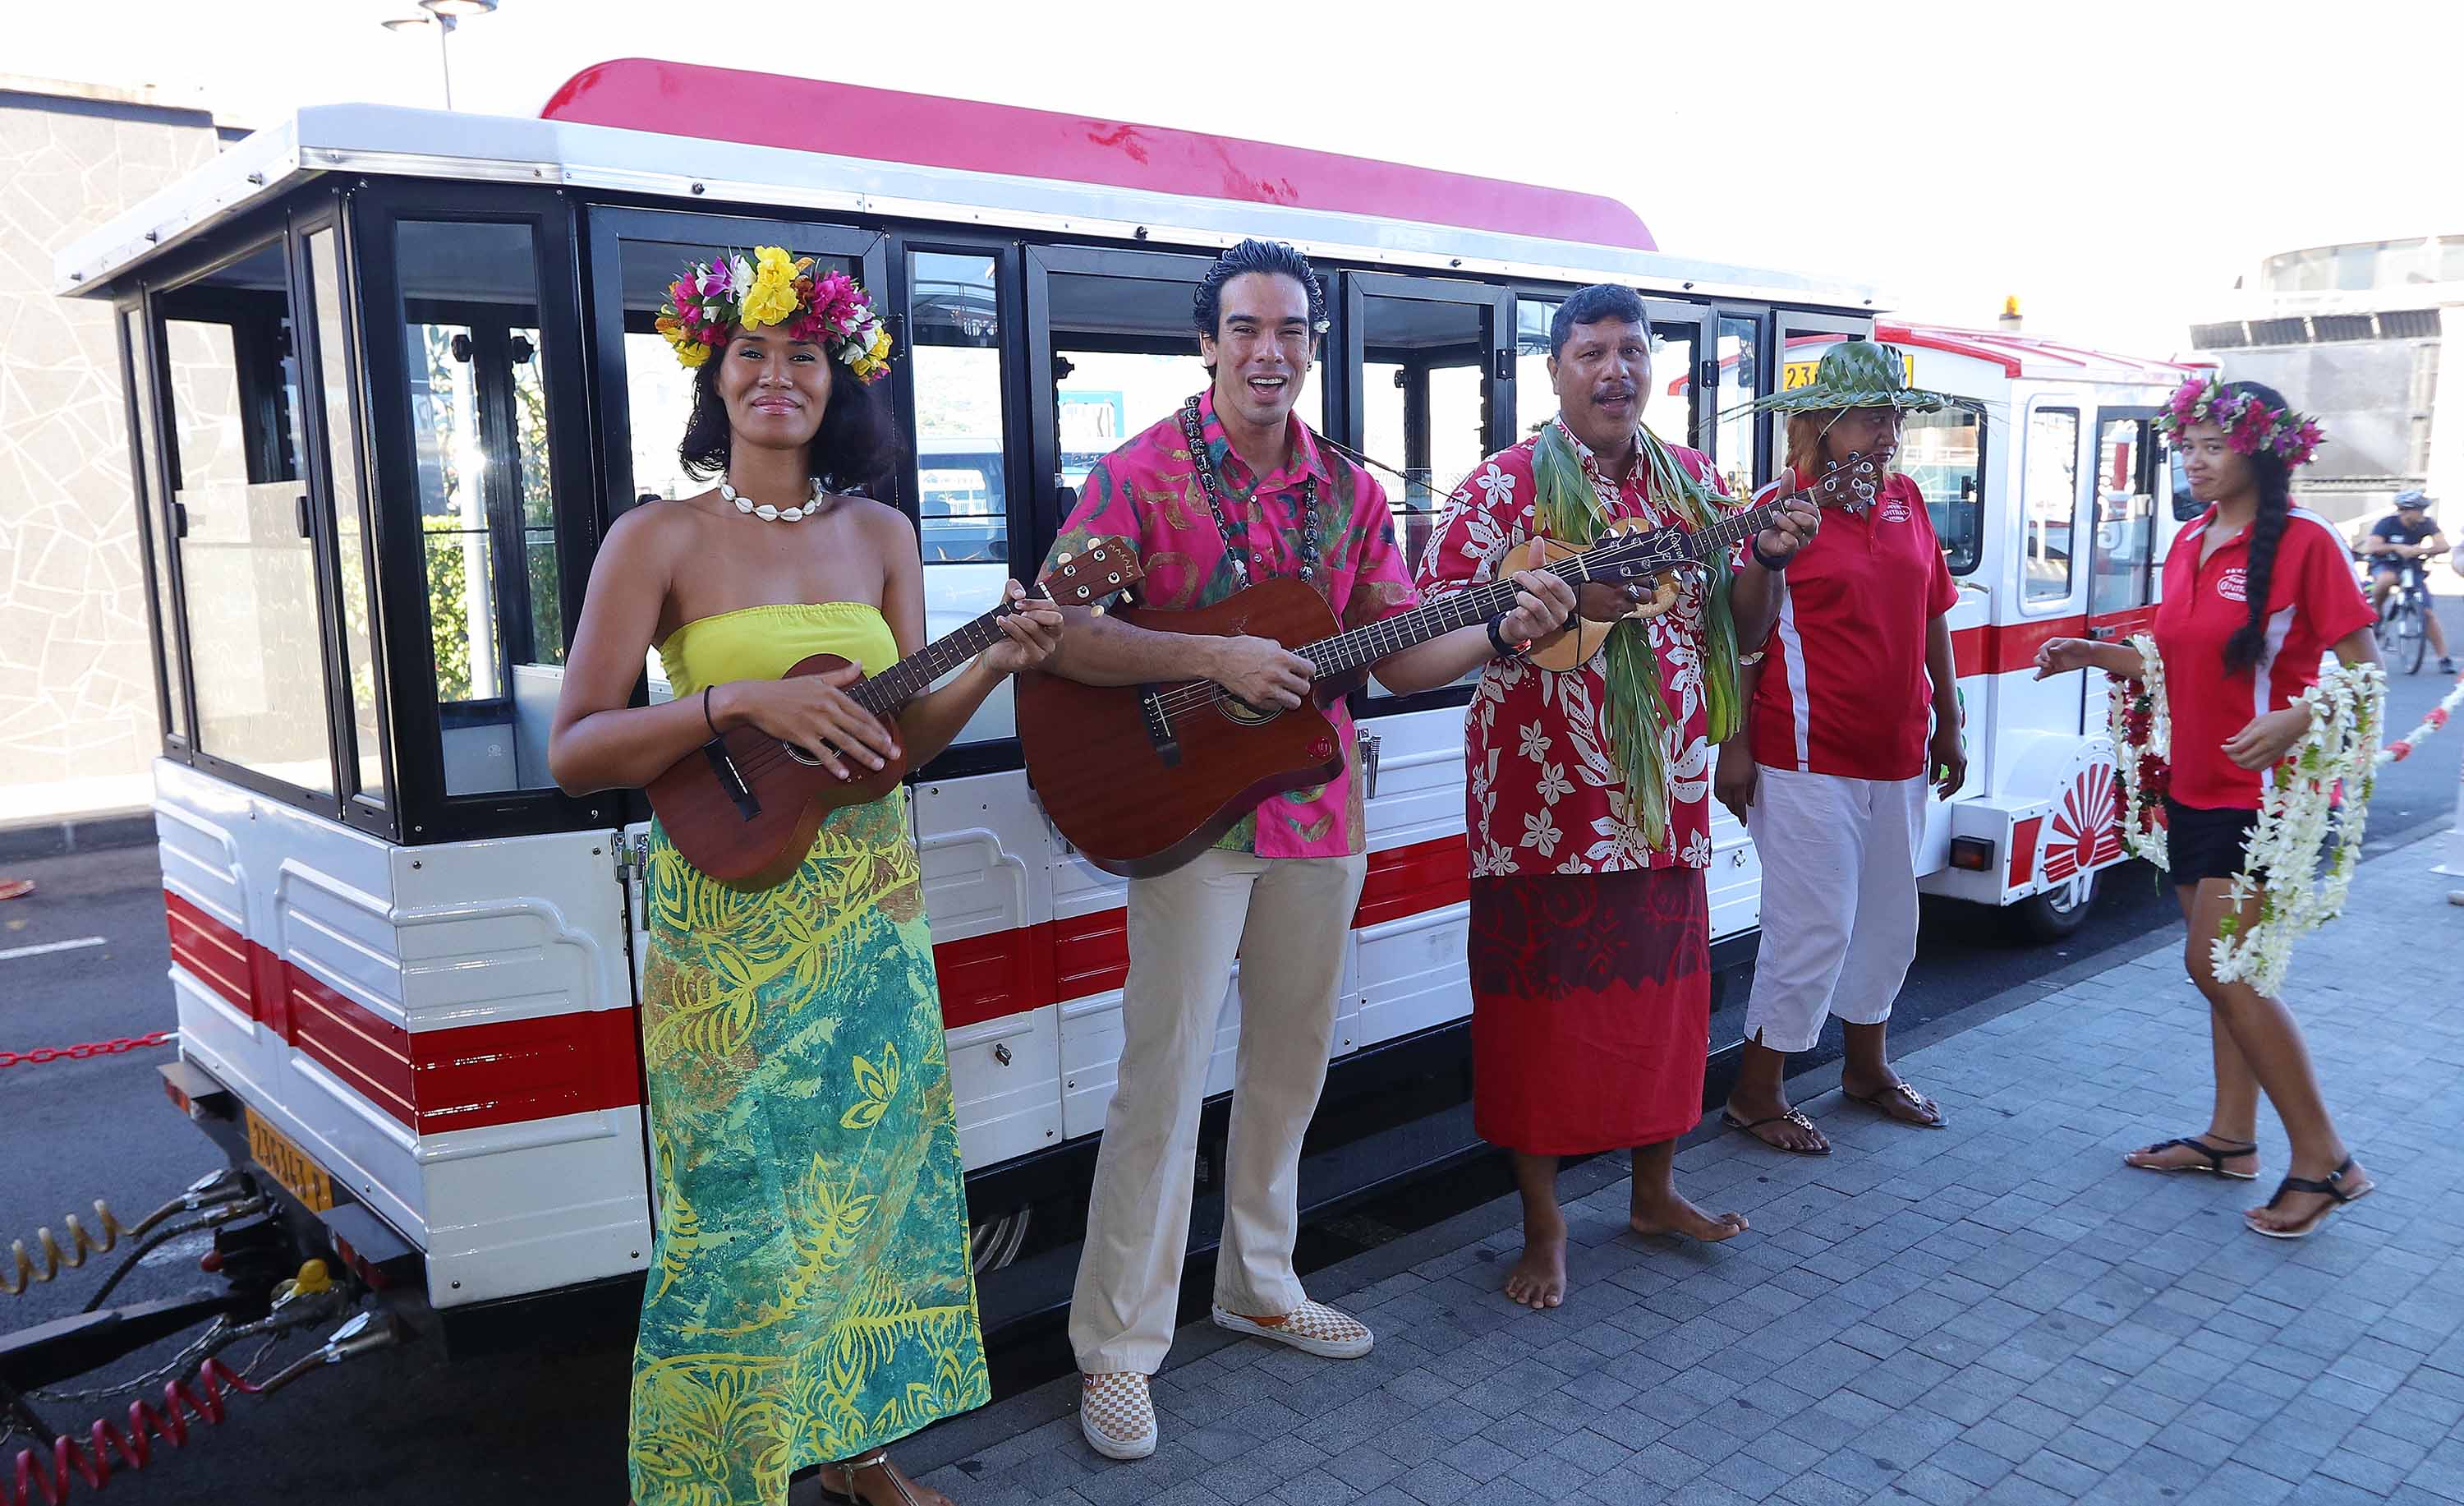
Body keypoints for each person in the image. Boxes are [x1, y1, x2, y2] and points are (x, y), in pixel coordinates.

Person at [1039, 239, 1577, 1458]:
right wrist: (1207, 658)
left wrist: (1502, 625)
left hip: (1317, 809)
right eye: (1245, 328)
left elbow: (1394, 653)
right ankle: (1118, 1347)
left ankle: (1257, 1281)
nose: (1268, 351)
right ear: (1208, 341)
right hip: (1186, 817)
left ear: (1314, 346)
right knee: (1162, 1081)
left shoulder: (1350, 493)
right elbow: (1060, 629)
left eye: (1291, 331)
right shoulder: (1140, 476)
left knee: (1289, 1065)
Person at [548, 249, 1061, 1506]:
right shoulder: (655, 536)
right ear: (713, 377)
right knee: (742, 1213)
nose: (778, 376)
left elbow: (894, 747)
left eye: (805, 355)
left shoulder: (883, 532)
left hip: (866, 910)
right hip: (724, 918)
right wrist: (732, 698)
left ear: (840, 381)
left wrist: (993, 666)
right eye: (752, 354)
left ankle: (858, 1454)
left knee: (870, 1194)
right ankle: (723, 1479)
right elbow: (577, 747)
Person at [1411, 284, 1817, 1309]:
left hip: (1661, 802)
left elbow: (1742, 623)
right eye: (1590, 352)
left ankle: (1654, 1194)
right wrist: (1520, 616)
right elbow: (1423, 638)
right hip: (1539, 814)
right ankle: (1544, 1231)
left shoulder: (1692, 483)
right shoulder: (1501, 489)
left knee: (1665, 1018)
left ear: (1651, 367)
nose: (1614, 370)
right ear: (1555, 371)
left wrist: (1764, 559)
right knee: (1539, 1033)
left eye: (1631, 350)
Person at [2037, 377, 2379, 1240]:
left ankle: (2327, 1161)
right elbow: (2171, 657)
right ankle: (2232, 1141)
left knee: (2225, 969)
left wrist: (2301, 714)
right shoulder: (2189, 539)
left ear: (2259, 449)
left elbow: (2367, 675)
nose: (2191, 460)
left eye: (2210, 446)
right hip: (2191, 784)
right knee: (2229, 974)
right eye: (2184, 445)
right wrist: (2094, 653)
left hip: (2267, 798)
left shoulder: (2308, 543)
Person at [1712, 341, 1966, 1156]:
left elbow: (1932, 613)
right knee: (1812, 925)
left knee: (1891, 920)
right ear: (1819, 426)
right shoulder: (1778, 508)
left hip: (1898, 751)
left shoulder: (1909, 501)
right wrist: (1737, 746)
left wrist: (1951, 722)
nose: (1884, 434)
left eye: (1891, 417)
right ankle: (1756, 1094)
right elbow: (1743, 637)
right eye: (1864, 418)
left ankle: (1867, 1068)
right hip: (1803, 755)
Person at [2355, 489, 2453, 673]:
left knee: (2427, 613)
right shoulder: (2387, 524)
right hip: (2386, 563)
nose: (2422, 514)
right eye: (2419, 510)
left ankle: (2444, 658)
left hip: (2411, 566)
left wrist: (2422, 551)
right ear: (2406, 510)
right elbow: (2372, 546)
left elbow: (2444, 545)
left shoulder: (2426, 524)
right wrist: (2397, 547)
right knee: (2386, 579)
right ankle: (2377, 611)